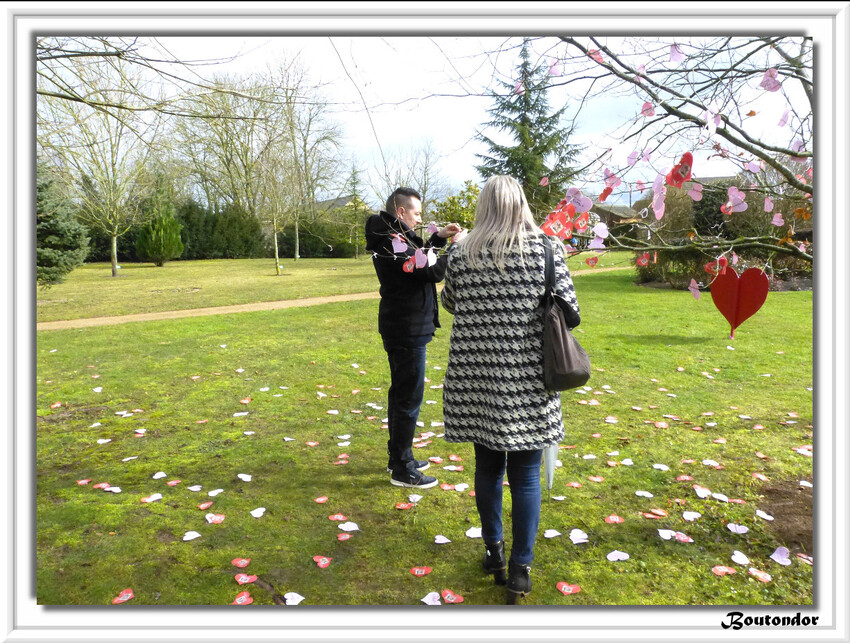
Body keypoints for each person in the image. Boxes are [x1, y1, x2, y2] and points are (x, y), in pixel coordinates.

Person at [440, 175, 580, 604]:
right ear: (521, 204)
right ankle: (520, 569)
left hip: (477, 381)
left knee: (487, 468)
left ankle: (494, 552)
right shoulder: (548, 250)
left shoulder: (461, 254)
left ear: (484, 207)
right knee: (524, 476)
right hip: (529, 382)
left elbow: (449, 303)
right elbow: (571, 313)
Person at [365, 187, 466, 489]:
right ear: (401, 212)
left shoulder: (393, 238)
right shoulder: (392, 241)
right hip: (405, 327)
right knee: (408, 397)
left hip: (404, 325)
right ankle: (402, 468)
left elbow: (420, 256)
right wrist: (455, 248)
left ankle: (399, 456)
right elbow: (431, 272)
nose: (420, 218)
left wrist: (438, 238)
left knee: (402, 394)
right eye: (417, 213)